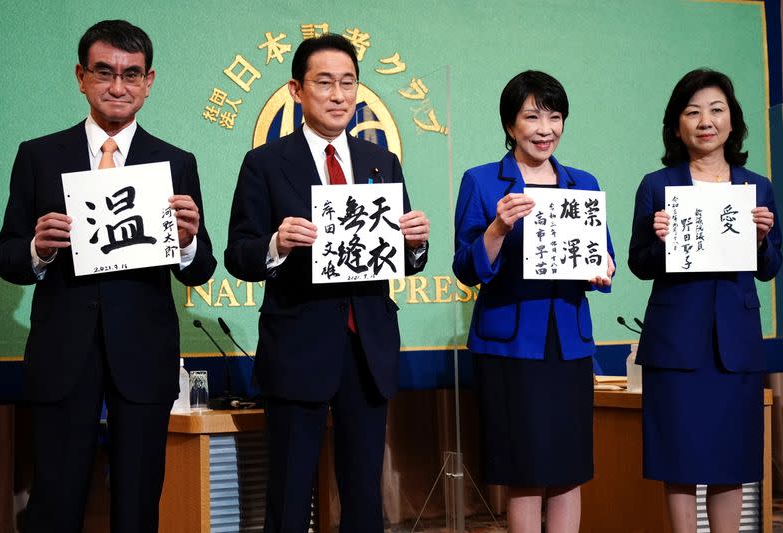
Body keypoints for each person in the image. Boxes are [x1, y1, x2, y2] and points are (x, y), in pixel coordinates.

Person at [0, 20, 216, 533]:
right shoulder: (39, 155)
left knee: (138, 502)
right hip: (62, 352)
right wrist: (36, 250)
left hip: (144, 355)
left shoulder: (177, 162)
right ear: (81, 77)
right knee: (55, 500)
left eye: (132, 74)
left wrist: (187, 244)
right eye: (105, 72)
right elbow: (6, 258)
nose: (119, 86)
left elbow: (202, 268)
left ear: (149, 81)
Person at [224, 34, 430, 533]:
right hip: (298, 343)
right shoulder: (266, 164)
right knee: (291, 490)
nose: (339, 95)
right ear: (297, 90)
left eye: (348, 83)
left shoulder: (382, 162)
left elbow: (405, 257)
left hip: (367, 347)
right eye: (324, 83)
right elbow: (238, 254)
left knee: (364, 493)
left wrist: (417, 243)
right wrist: (276, 243)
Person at [453, 70, 614, 533]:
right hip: (509, 344)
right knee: (523, 472)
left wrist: (604, 267)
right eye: (532, 117)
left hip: (568, 341)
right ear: (510, 125)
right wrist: (497, 229)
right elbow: (466, 268)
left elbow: (604, 257)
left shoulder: (582, 183)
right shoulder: (484, 182)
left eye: (555, 117)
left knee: (569, 470)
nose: (545, 129)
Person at [628, 68, 781, 533]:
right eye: (692, 112)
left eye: (716, 110)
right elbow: (638, 263)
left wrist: (759, 239)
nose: (705, 121)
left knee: (730, 460)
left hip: (734, 345)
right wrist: (659, 241)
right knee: (678, 460)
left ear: (733, 122)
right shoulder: (657, 186)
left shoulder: (756, 187)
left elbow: (770, 268)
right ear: (677, 126)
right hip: (676, 344)